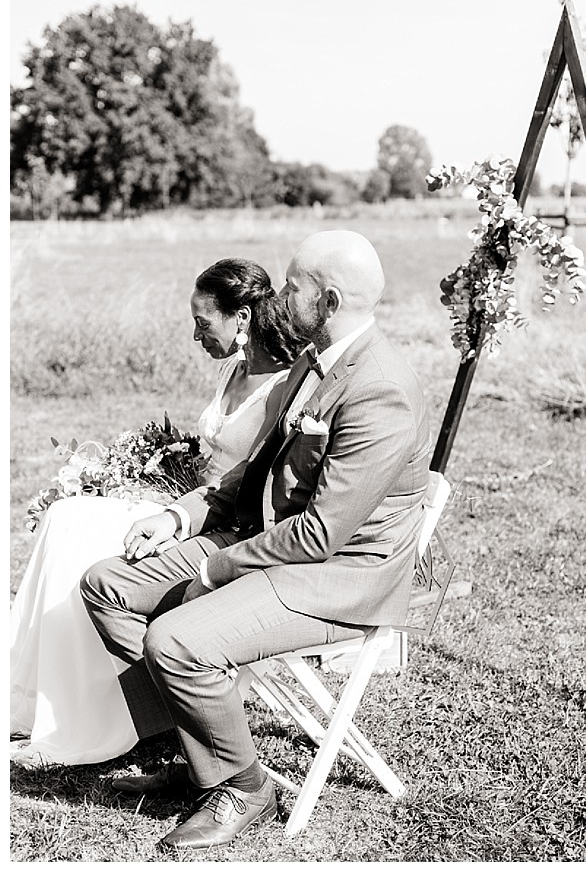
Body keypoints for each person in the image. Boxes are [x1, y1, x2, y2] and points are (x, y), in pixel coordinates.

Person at [80, 230, 433, 851]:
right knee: (106, 586)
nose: (279, 297)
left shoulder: (381, 388)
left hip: (337, 577)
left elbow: (323, 533)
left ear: (326, 300)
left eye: (292, 287)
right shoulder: (312, 361)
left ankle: (243, 787)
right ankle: (198, 752)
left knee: (175, 639)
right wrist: (182, 516)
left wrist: (217, 567)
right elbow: (256, 468)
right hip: (267, 539)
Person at [10, 258, 302, 768]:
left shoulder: (285, 388)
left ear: (244, 320)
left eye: (203, 323)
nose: (195, 335)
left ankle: (98, 716)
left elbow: (246, 480)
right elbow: (209, 452)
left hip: (221, 522)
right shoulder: (233, 369)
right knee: (67, 517)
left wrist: (177, 511)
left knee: (80, 539)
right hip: (183, 502)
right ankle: (37, 699)